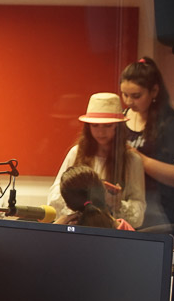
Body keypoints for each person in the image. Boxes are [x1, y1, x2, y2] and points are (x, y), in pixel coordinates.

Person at [47, 92, 145, 227]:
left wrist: (117, 204)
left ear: (118, 127)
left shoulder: (132, 160)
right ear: (88, 127)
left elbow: (138, 214)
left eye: (107, 126)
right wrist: (77, 199)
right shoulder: (76, 153)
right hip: (77, 227)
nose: (101, 132)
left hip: (112, 231)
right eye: (95, 125)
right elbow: (54, 200)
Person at [120, 57, 174, 229]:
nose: (129, 102)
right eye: (125, 95)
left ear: (154, 91)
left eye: (136, 96)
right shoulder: (121, 118)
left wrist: (139, 158)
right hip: (126, 204)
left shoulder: (172, 125)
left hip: (160, 209)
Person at [56, 165, 134, 230]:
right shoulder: (126, 229)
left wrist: (54, 229)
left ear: (68, 206)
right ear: (103, 191)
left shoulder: (63, 236)